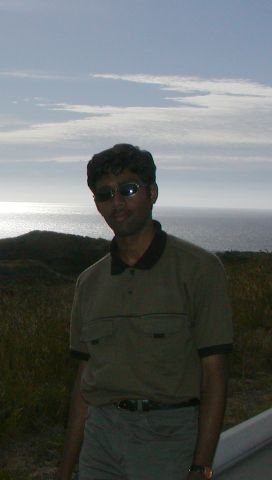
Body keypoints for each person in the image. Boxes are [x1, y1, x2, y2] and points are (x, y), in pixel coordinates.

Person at [56, 144, 233, 480]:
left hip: (169, 438)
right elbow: (84, 380)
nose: (117, 203)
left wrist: (201, 468)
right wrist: (65, 470)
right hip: (100, 440)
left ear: (152, 192)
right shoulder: (89, 282)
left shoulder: (199, 269)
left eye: (128, 189)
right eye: (105, 194)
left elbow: (215, 374)